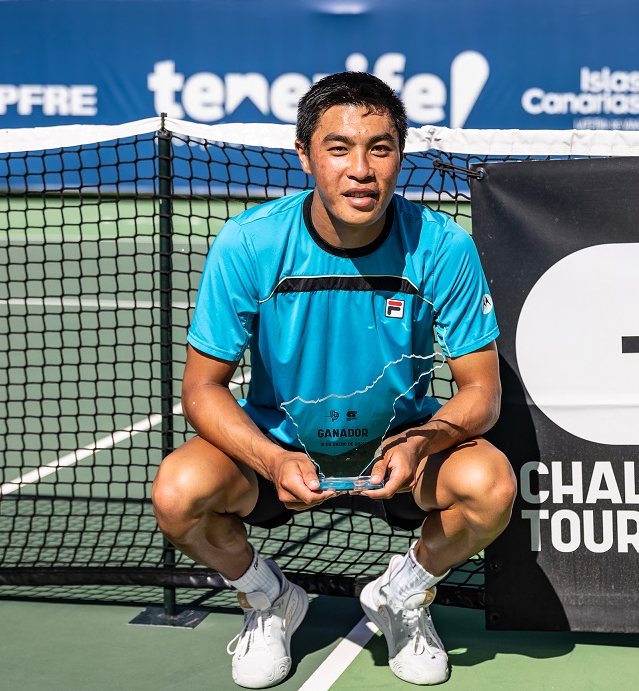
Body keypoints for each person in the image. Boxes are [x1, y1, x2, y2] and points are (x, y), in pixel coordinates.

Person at [151, 71, 516, 689]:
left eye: (380, 148)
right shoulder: (249, 243)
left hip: (402, 451)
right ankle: (268, 597)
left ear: (400, 155)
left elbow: (483, 391)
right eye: (339, 148)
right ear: (305, 155)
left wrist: (419, 442)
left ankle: (403, 593)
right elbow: (201, 389)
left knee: (492, 487)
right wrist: (270, 459)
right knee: (177, 493)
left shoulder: (442, 246)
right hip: (279, 451)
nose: (361, 170)